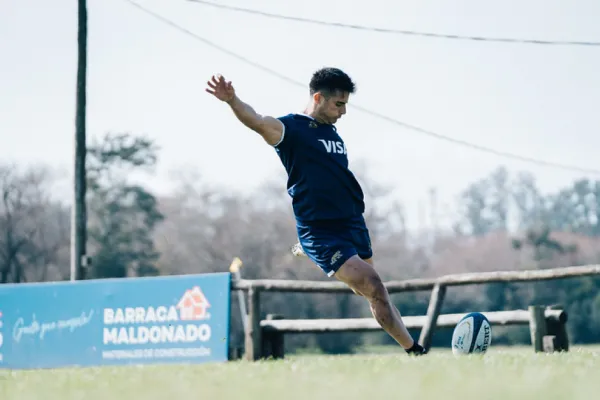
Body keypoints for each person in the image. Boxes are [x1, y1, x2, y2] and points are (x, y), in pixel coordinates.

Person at [205, 67, 427, 356]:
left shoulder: (331, 132)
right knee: (373, 285)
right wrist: (232, 100)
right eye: (339, 104)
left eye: (346, 104)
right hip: (321, 231)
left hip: (352, 222)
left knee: (373, 290)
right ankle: (415, 351)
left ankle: (413, 349)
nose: (344, 111)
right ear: (319, 98)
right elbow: (257, 121)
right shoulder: (291, 129)